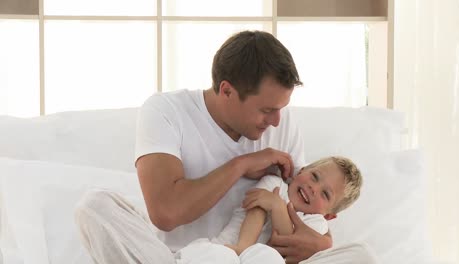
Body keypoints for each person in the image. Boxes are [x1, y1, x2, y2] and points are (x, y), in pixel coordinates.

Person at [75, 30, 377, 264]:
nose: (276, 121)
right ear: (227, 91)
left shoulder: (282, 123)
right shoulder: (166, 111)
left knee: (359, 256)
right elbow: (165, 212)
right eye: (266, 110)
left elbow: (305, 204)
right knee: (95, 207)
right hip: (185, 258)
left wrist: (322, 243)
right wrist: (242, 165)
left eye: (281, 109)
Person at [175, 156, 363, 263]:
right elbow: (255, 212)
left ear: (329, 215)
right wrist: (241, 248)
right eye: (314, 176)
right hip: (227, 247)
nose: (314, 188)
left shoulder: (316, 224)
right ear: (301, 171)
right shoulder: (274, 183)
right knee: (219, 256)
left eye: (325, 194)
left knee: (269, 257)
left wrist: (277, 206)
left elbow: (287, 244)